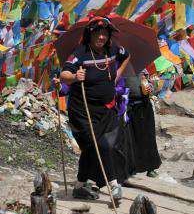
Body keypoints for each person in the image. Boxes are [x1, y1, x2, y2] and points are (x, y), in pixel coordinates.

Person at [60, 16, 131, 201]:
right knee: (99, 145)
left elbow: (126, 55)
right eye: (98, 33)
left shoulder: (113, 49)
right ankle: (114, 184)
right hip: (82, 111)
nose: (101, 37)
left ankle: (79, 186)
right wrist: (75, 76)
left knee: (92, 148)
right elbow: (64, 74)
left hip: (106, 110)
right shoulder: (80, 53)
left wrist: (117, 75)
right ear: (90, 34)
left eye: (105, 34)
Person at [121, 70, 162, 177]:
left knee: (148, 137)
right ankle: (131, 168)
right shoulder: (120, 69)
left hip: (144, 107)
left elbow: (150, 85)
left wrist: (150, 88)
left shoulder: (141, 69)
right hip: (128, 107)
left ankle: (151, 167)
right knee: (130, 138)